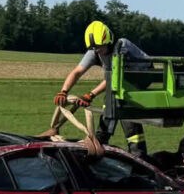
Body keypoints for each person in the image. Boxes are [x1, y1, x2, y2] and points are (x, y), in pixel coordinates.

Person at [54, 20, 150, 157]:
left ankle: (104, 138)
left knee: (118, 100)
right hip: (121, 81)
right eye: (95, 49)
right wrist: (63, 91)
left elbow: (113, 79)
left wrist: (90, 95)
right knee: (119, 103)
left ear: (109, 41)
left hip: (143, 76)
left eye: (100, 47)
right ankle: (111, 141)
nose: (98, 51)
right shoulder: (95, 51)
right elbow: (77, 72)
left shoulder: (121, 46)